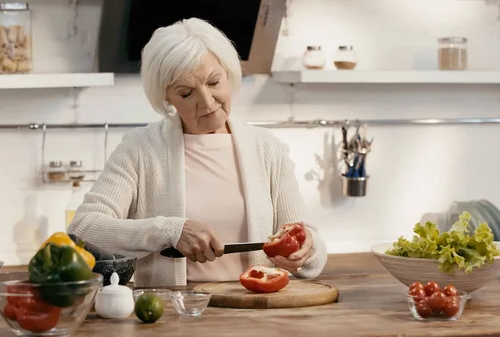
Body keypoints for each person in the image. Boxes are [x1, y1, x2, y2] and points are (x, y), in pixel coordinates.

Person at [67, 18, 327, 287]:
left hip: (258, 310)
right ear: (167, 97)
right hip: (171, 314)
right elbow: (84, 229)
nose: (206, 101)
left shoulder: (268, 149)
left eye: (213, 82)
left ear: (228, 73)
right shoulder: (140, 149)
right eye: (186, 93)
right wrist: (170, 230)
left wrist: (307, 249)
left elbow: (312, 260)